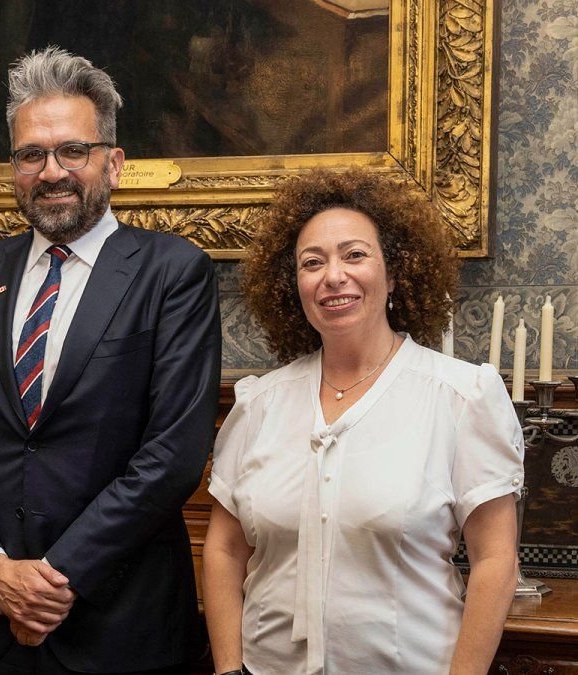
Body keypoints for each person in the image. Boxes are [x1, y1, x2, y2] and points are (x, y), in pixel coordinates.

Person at [0, 47, 221, 674]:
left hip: (117, 623)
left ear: (113, 163)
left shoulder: (172, 273)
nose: (51, 171)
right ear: (14, 167)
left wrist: (53, 580)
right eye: (32, 154)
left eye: (72, 151)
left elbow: (172, 456)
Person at [202, 168, 524, 674]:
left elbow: (496, 562)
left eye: (355, 255)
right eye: (313, 263)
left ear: (393, 273)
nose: (334, 276)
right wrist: (227, 669)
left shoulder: (461, 398)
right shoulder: (258, 404)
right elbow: (223, 549)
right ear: (295, 285)